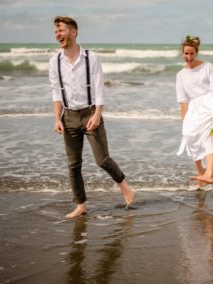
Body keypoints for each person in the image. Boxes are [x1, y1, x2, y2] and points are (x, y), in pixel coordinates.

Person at [49, 16, 135, 218]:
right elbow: (56, 92)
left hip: (90, 113)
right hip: (68, 116)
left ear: (73, 32)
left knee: (102, 159)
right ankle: (81, 205)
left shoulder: (92, 58)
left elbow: (99, 89)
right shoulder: (54, 62)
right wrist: (56, 118)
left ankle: (125, 187)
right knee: (73, 164)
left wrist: (97, 114)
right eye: (56, 31)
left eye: (61, 30)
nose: (58, 34)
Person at [176, 35, 213, 186]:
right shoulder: (180, 75)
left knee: (208, 138)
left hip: (210, 105)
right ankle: (201, 174)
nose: (189, 56)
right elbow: (183, 101)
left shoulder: (207, 67)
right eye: (186, 53)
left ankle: (209, 174)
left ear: (196, 52)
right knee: (189, 136)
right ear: (183, 53)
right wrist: (184, 121)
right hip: (193, 109)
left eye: (192, 53)